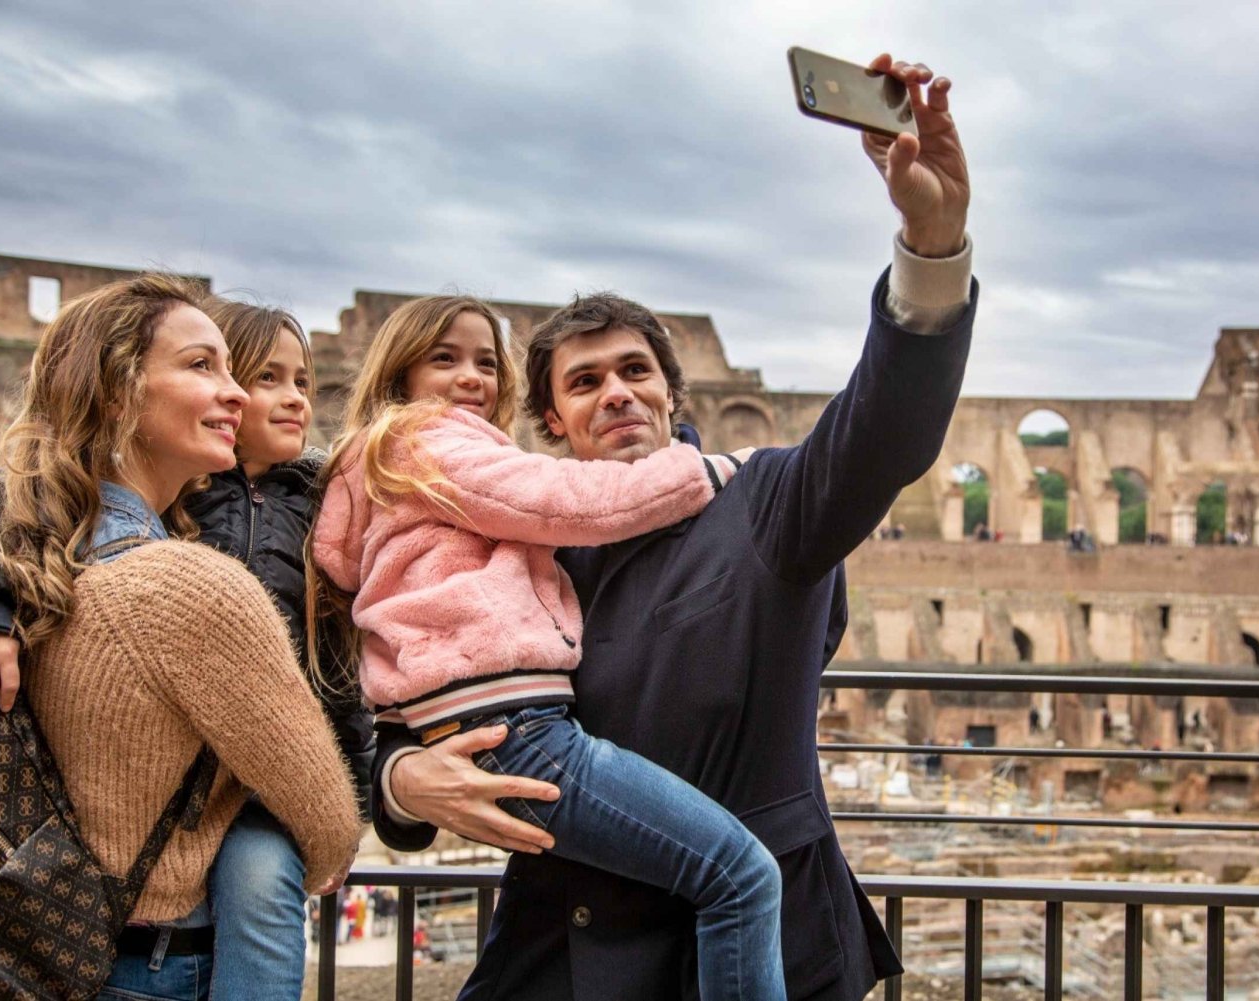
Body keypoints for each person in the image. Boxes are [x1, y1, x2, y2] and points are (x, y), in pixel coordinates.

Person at [374, 53, 975, 1000]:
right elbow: (398, 685)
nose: (615, 393)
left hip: (740, 944)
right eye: (584, 382)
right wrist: (402, 781)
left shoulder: (766, 499)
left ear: (670, 390)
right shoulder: (508, 540)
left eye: (633, 371)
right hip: (562, 939)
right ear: (552, 424)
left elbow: (888, 426)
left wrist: (932, 244)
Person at [310, 294, 784, 1000]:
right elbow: (567, 500)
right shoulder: (430, 443)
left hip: (473, 721)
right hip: (518, 723)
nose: (471, 377)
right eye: (444, 359)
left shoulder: (384, 470)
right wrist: (713, 470)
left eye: (484, 361)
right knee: (740, 875)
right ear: (399, 378)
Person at [0, 297, 375, 1001]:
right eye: (202, 365)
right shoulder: (192, 585)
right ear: (120, 393)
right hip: (156, 963)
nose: (238, 392)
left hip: (34, 943)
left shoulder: (36, 549)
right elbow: (328, 821)